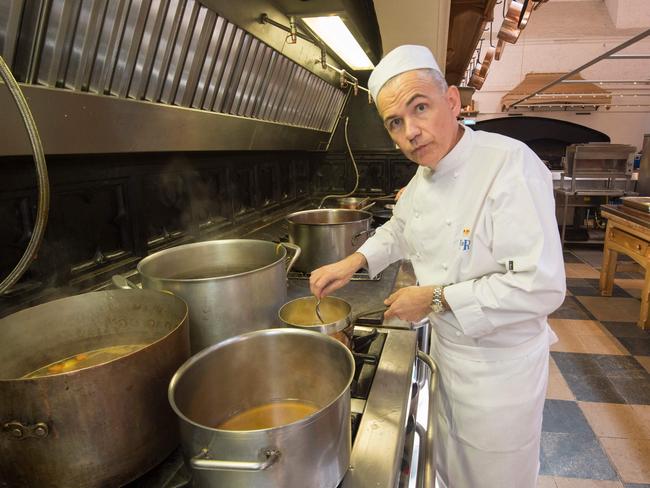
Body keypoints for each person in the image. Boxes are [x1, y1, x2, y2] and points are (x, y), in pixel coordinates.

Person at [309, 45, 566, 488]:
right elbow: (402, 229)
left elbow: (540, 285)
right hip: (451, 353)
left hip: (499, 372)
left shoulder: (510, 165)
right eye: (395, 122)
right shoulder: (427, 172)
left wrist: (435, 297)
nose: (411, 131)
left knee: (494, 476)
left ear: (451, 101)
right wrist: (354, 260)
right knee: (449, 468)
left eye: (420, 108)